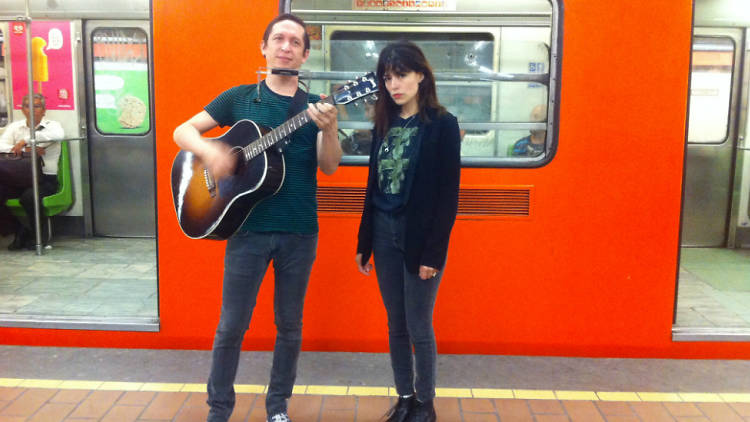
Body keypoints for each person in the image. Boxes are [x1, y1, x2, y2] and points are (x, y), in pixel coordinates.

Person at [172, 14, 340, 422]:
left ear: (305, 53)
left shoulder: (317, 106)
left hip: (300, 230)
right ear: (263, 47)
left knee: (290, 327)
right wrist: (212, 152)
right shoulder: (239, 98)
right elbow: (183, 132)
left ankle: (277, 406)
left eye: (295, 41)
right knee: (232, 326)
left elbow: (330, 166)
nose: (286, 46)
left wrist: (331, 130)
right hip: (246, 230)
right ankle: (219, 409)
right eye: (278, 39)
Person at [355, 41, 461, 422]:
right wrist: (364, 242)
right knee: (395, 323)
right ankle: (403, 397)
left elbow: (448, 196)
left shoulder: (442, 125)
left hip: (419, 238)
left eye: (400, 75)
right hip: (383, 233)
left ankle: (425, 402)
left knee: (419, 323)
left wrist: (434, 254)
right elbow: (373, 186)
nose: (393, 84)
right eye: (387, 77)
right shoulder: (384, 122)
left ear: (420, 75)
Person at [0, 93, 64, 250]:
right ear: (22, 109)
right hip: (17, 179)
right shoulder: (15, 127)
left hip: (45, 179)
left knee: (29, 197)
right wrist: (25, 151)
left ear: (44, 110)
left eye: (36, 106)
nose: (32, 110)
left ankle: (38, 236)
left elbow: (58, 136)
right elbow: (1, 145)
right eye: (27, 106)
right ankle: (18, 229)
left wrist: (26, 141)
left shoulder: (52, 126)